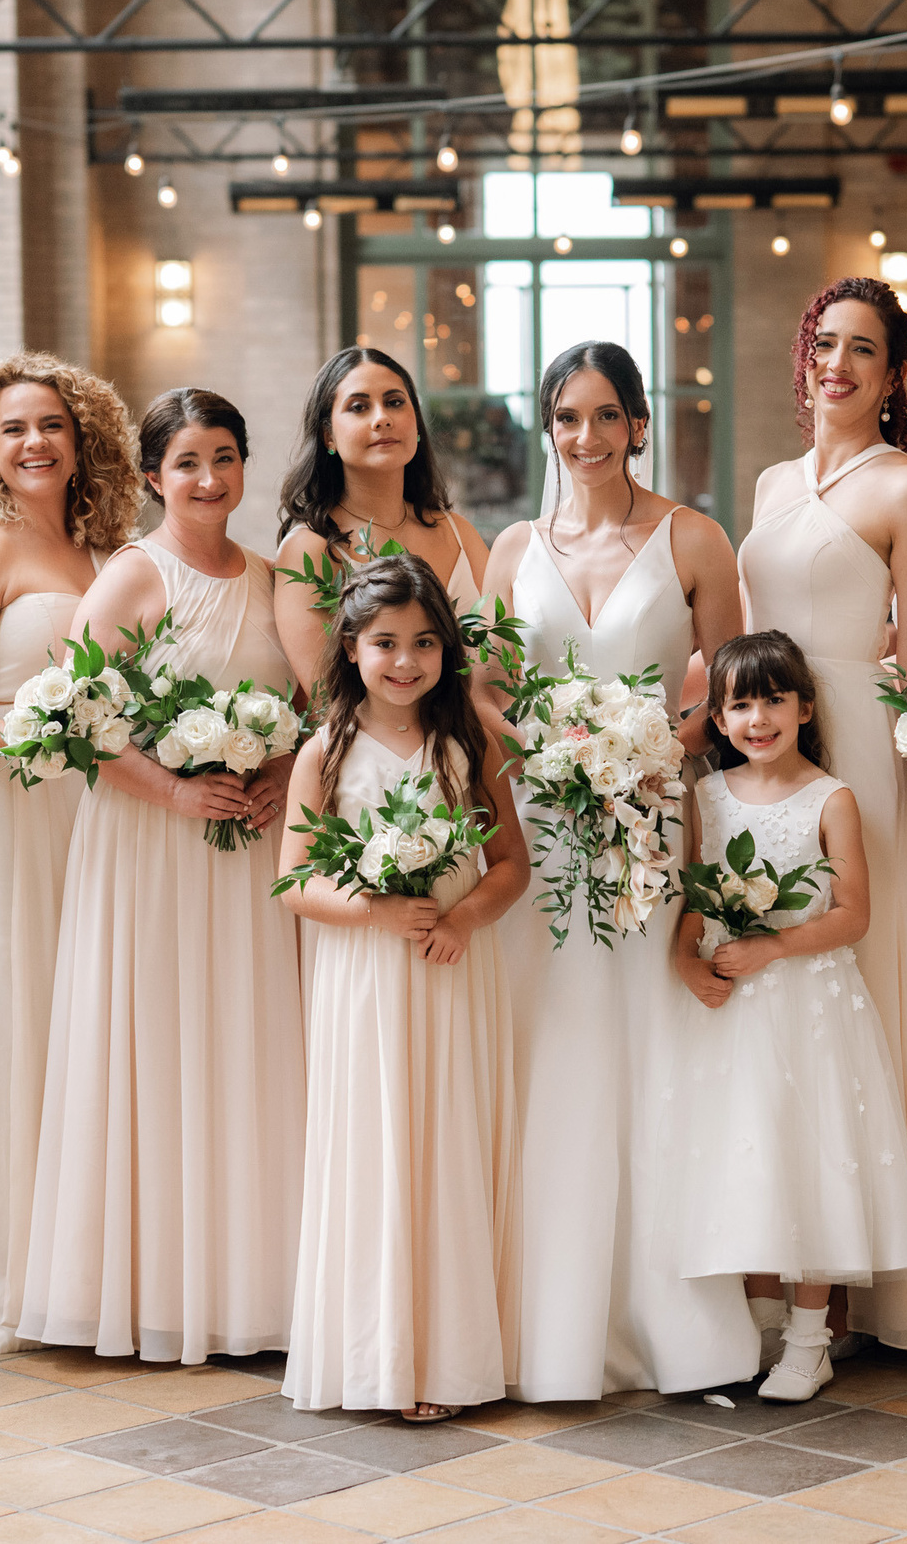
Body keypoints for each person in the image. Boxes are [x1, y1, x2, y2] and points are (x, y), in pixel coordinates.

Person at [478, 341, 757, 1401]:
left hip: (650, 811)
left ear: (639, 423)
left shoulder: (694, 538)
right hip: (545, 823)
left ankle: (665, 1314)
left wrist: (649, 756)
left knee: (650, 1041)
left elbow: (725, 687)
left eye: (604, 416)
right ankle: (550, 1316)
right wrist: (554, 755)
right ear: (547, 428)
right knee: (555, 1041)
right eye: (565, 417)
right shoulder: (513, 548)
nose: (584, 438)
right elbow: (491, 689)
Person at [20, 391, 305, 1363]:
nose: (210, 479)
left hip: (247, 854)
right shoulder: (136, 578)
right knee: (158, 1043)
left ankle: (249, 1284)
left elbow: (303, 710)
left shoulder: (273, 581)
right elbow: (66, 718)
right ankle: (150, 1288)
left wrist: (272, 772)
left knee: (247, 1045)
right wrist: (172, 793)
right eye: (187, 462)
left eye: (225, 456)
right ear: (152, 477)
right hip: (149, 845)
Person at [0, 352, 140, 1355]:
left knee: (84, 1023)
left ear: (83, 439)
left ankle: (86, 1264)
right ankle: (7, 1275)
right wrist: (27, 738)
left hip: (99, 817)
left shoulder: (110, 557)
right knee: (12, 1018)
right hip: (2, 809)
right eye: (13, 429)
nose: (34, 442)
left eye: (51, 424)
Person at [739, 278, 907, 1353]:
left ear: (893, 373)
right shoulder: (775, 480)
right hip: (762, 740)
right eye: (824, 342)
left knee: (855, 987)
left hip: (857, 739)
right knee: (769, 988)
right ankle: (775, 1258)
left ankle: (858, 1279)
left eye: (863, 349)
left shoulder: (905, 488)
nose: (838, 365)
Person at [278, 555, 527, 1420]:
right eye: (385, 642)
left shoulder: (469, 743)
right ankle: (378, 1359)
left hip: (451, 973)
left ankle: (448, 1358)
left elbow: (511, 865)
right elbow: (296, 880)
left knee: (444, 1138)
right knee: (374, 1142)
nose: (405, 661)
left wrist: (461, 920)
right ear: (350, 647)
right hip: (366, 974)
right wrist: (374, 910)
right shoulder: (325, 750)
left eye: (424, 642)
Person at [668, 631, 907, 1403]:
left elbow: (853, 914)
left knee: (811, 1157)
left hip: (809, 1002)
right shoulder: (703, 798)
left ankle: (812, 1337)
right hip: (731, 1010)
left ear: (804, 707)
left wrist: (774, 945)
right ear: (716, 718)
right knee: (747, 1157)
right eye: (740, 703)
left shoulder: (831, 797)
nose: (758, 717)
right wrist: (690, 959)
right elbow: (690, 902)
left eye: (773, 699)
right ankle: (758, 1327)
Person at [274, 347, 491, 674]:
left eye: (394, 402)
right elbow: (326, 701)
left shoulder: (459, 532)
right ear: (328, 436)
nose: (382, 418)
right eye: (359, 407)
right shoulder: (311, 548)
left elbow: (503, 668)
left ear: (416, 423)